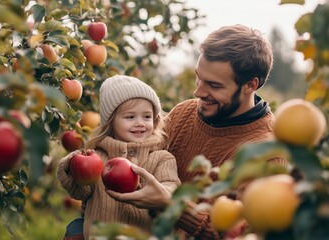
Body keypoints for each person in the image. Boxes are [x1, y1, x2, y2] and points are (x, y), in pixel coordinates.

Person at [106, 24, 288, 239]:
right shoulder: (184, 112)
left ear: (250, 85)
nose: (198, 91)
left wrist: (171, 205)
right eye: (198, 77)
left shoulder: (267, 155)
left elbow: (241, 234)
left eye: (213, 85)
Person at [57, 75, 181, 240]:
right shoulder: (98, 158)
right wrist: (72, 165)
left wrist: (157, 194)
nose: (140, 123)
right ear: (111, 122)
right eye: (130, 117)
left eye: (147, 116)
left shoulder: (162, 158)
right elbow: (81, 190)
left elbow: (171, 188)